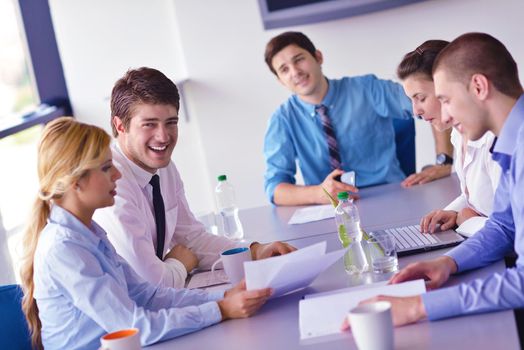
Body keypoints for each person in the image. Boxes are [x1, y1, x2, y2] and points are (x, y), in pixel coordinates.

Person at [20, 117, 272, 350]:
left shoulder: (89, 232)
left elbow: (146, 294)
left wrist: (224, 296)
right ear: (76, 182)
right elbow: (132, 326)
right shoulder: (64, 248)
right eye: (107, 168)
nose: (117, 174)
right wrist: (220, 310)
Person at [342, 32, 524, 328]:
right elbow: (504, 226)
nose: (447, 116)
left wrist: (419, 307)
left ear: (478, 86)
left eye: (446, 100)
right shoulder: (511, 143)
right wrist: (449, 262)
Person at [93, 67, 295, 289]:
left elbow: (192, 239)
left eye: (171, 122)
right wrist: (179, 263)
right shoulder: (112, 183)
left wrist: (256, 251)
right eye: (149, 124)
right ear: (120, 126)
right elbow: (152, 284)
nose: (163, 136)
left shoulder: (164, 168)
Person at [262, 31, 453, 206]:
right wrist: (318, 193)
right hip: (332, 208)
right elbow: (275, 187)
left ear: (318, 57)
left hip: (392, 196)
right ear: (280, 79)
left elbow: (435, 101)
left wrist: (444, 162)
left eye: (299, 60)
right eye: (284, 69)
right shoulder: (282, 120)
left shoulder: (367, 89)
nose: (295, 72)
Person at [397, 40, 501, 235]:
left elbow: (510, 231)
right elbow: (473, 197)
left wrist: (467, 221)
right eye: (411, 100)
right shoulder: (458, 134)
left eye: (421, 98)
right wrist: (451, 211)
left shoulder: (493, 138)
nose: (416, 111)